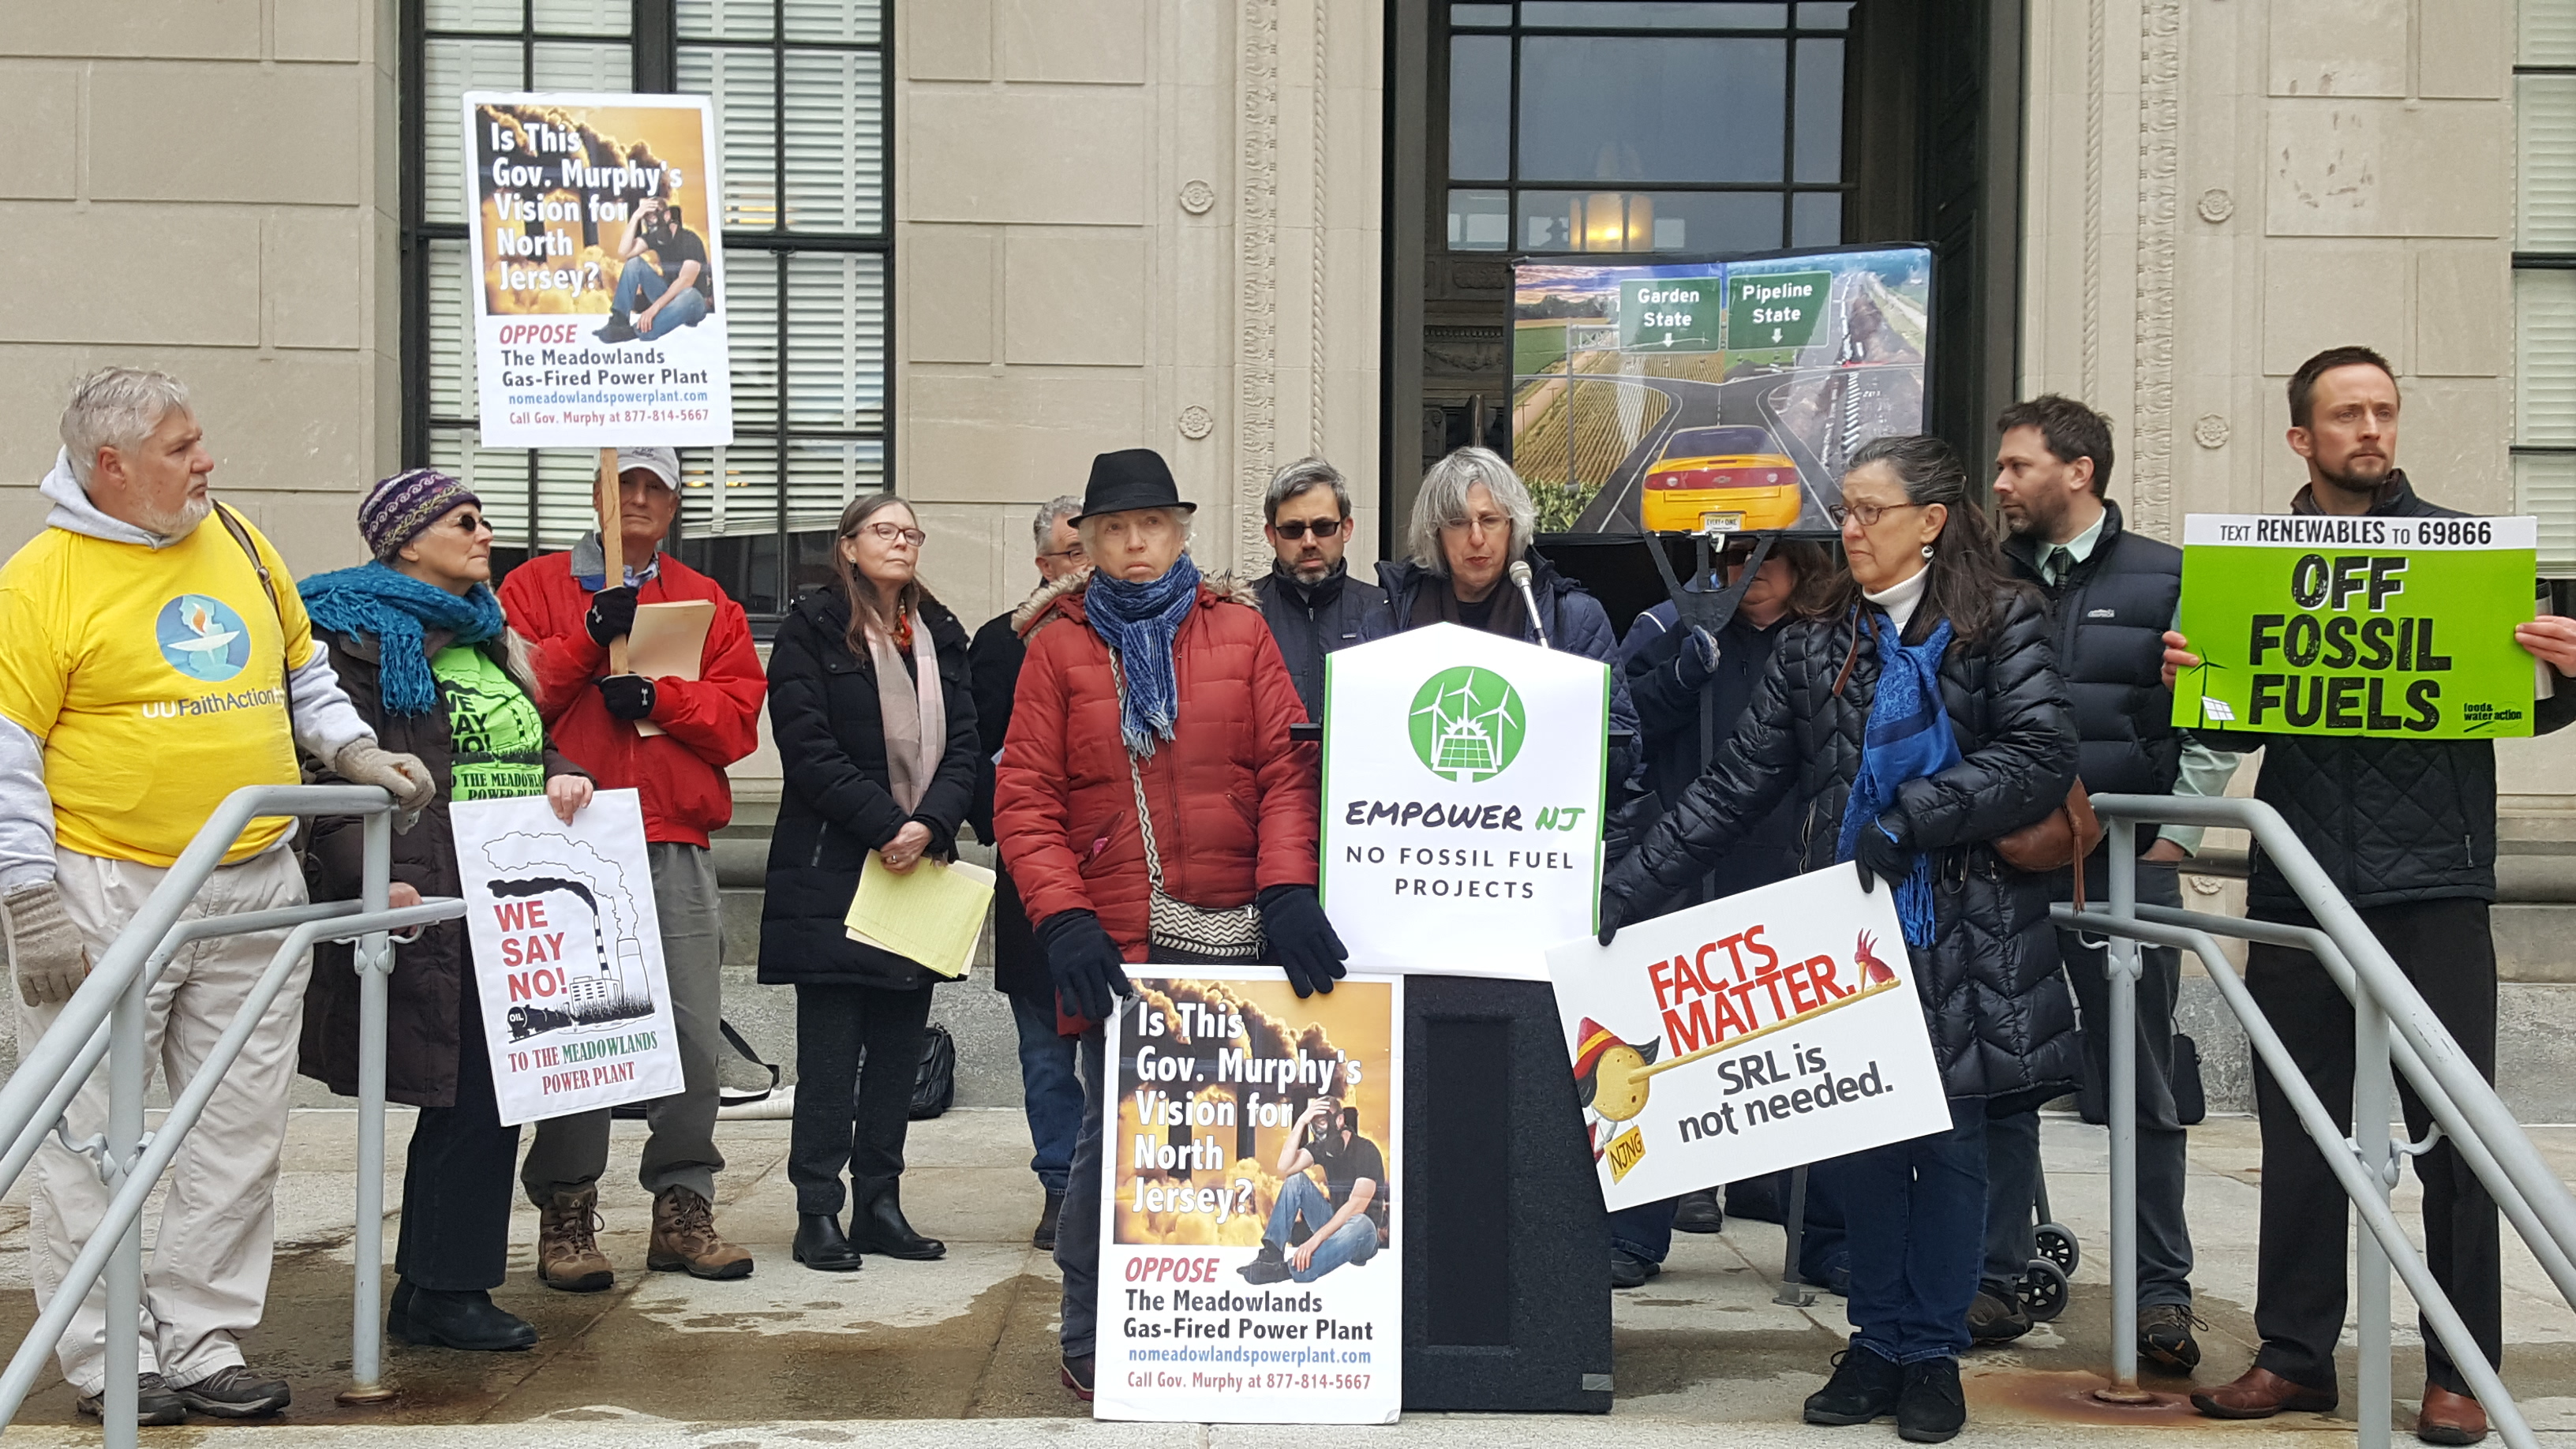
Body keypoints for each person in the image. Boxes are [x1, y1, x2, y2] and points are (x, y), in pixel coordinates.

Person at [1602, 434, 2083, 1445]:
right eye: (1848, 512)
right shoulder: (1821, 640)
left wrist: (1919, 811)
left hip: (1968, 928)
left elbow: (2039, 755)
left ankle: (1931, 1354)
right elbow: (1734, 788)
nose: (1850, 531)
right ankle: (1873, 1342)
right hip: (1853, 935)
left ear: (1931, 521)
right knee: (1861, 1136)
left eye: (1870, 512)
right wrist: (1626, 891)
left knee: (1949, 1144)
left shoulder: (2001, 621)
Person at [0, 368, 436, 1424]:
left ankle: (200, 1339)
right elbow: (6, 751)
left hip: (255, 880)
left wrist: (354, 749)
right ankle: (108, 1360)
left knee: (238, 1129)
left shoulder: (236, 538)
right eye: (182, 447)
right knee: (88, 1139)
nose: (208, 461)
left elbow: (299, 672)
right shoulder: (40, 581)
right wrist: (29, 901)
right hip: (111, 886)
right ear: (112, 466)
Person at [2165, 346, 2576, 1443]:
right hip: (2302, 885)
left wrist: (2569, 671)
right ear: (2301, 437)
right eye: (2347, 414)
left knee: (2459, 1140)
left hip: (2434, 884)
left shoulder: (2467, 557)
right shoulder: (2254, 572)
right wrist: (2193, 677)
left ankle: (2459, 1370)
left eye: (2385, 410)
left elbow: (2517, 708)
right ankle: (2296, 1356)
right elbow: (2230, 725)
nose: (2372, 430)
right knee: (2300, 1137)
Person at [993, 447, 1343, 1402]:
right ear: (1089, 542)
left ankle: (1228, 1323)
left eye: (1151, 524)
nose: (1135, 543)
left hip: (1240, 928)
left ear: (1182, 532)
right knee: (1118, 1147)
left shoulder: (1240, 630)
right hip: (1120, 939)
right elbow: (1025, 798)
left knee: (1241, 1145)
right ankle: (1091, 1329)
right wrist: (1062, 918)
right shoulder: (1057, 646)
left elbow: (1284, 769)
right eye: (1113, 528)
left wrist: (1287, 888)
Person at [296, 470, 595, 1354]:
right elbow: (332, 775)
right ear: (405, 540)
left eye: (482, 516)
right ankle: (444, 1289)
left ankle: (439, 1285)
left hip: (510, 886)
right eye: (462, 519)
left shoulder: (488, 631)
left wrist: (558, 770)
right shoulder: (350, 636)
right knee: (468, 1086)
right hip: (424, 886)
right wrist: (368, 880)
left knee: (489, 1091)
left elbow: (520, 738)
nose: (483, 530)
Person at [1975, 395, 2236, 1367]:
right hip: (2004, 874)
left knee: (2140, 1083)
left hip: (2128, 868)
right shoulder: (1982, 582)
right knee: (1999, 1078)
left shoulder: (2172, 577)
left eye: (2016, 466)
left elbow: (2222, 708)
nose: (1999, 484)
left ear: (2078, 471)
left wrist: (2174, 838)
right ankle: (1995, 1281)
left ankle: (2159, 1298)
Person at [497, 445, 766, 1291]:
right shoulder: (533, 587)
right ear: (598, 492)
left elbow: (737, 723)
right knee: (581, 1032)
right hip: (567, 839)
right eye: (626, 484)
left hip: (672, 834)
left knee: (690, 1029)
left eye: (656, 486)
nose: (640, 499)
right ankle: (567, 1207)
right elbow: (511, 697)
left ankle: (683, 1202)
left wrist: (659, 698)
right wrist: (587, 639)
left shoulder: (706, 599)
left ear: (678, 503)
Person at [759, 493, 981, 1272]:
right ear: (847, 546)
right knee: (830, 1055)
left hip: (917, 870)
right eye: (885, 531)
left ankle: (880, 1204)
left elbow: (966, 751)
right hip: (834, 867)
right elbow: (809, 751)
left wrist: (929, 825)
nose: (902, 542)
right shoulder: (810, 630)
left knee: (896, 1049)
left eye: (912, 532)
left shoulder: (939, 635)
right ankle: (817, 1209)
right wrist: (887, 824)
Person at [1607, 538, 1835, 1285]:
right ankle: (1636, 1233)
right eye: (1732, 561)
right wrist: (1679, 674)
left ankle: (1822, 1236)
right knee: (1660, 1057)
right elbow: (1622, 728)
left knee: (1803, 1061)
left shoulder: (1828, 641)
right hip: (1684, 868)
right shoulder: (1675, 631)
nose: (1746, 575)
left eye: (1764, 558)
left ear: (1800, 565)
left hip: (1784, 870)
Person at [966, 494, 1089, 1251]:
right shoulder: (998, 645)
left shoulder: (1138, 635)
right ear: (1043, 565)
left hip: (1122, 883)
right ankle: (1059, 1189)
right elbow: (976, 760)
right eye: (1073, 553)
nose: (1088, 565)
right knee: (1045, 1053)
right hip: (1035, 882)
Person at [1366, 447, 1639, 777]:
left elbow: (1626, 749)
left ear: (1513, 527)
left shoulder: (1572, 617)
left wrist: (1567, 721)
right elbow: (1358, 738)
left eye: (1490, 520)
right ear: (1435, 534)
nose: (1477, 538)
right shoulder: (1389, 618)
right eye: (1458, 522)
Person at [1253, 456, 1386, 720]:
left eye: (1323, 527)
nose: (1309, 541)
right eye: (1293, 530)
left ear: (1346, 528)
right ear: (1271, 535)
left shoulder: (1382, 610)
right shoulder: (1244, 613)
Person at [1239, 1097, 1389, 1285]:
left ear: (1339, 1120)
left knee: (1360, 1221)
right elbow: (1285, 1166)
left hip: (1363, 1237)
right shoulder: (1321, 1149)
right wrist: (1301, 1121)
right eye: (1314, 1125)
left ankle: (1286, 1271)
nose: (1318, 1130)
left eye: (1322, 1122)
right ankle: (1271, 1255)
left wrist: (1313, 1241)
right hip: (1334, 1224)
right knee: (1296, 1180)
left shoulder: (1366, 1150)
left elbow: (1356, 1206)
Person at [597, 197, 714, 343]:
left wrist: (654, 308)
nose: (650, 222)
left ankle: (638, 331)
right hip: (668, 298)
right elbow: (624, 252)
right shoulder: (654, 239)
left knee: (690, 294)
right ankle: (619, 322)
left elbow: (686, 281)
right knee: (634, 263)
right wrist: (636, 217)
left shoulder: (690, 240)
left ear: (667, 215)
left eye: (653, 216)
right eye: (647, 218)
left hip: (693, 303)